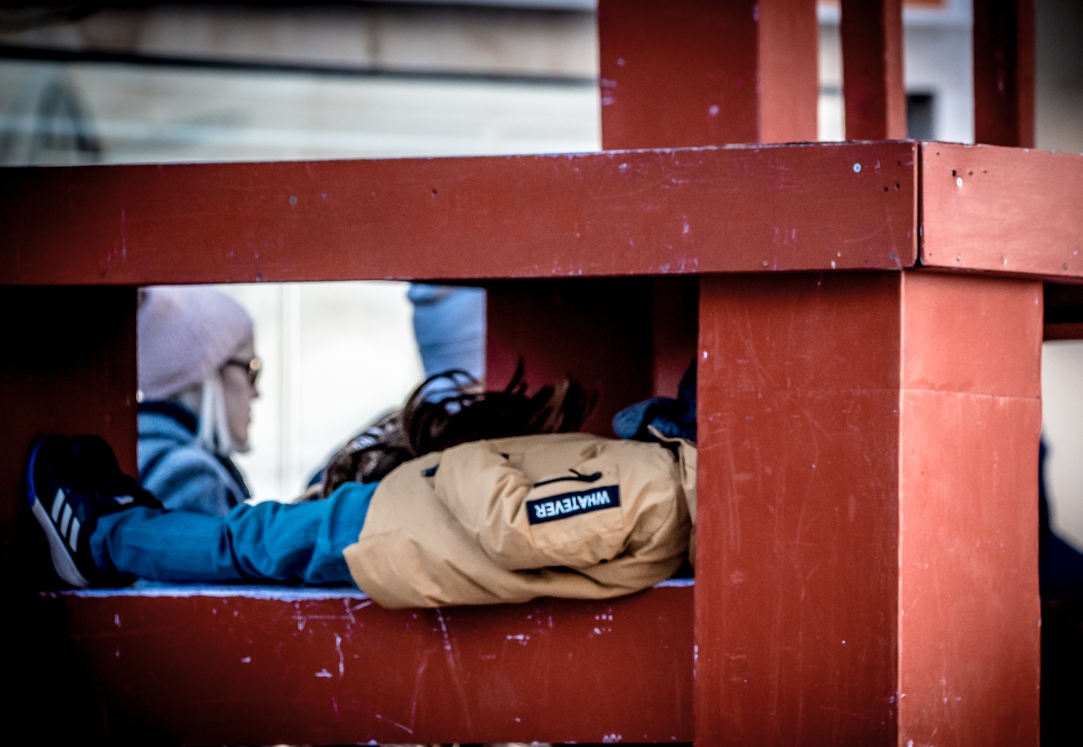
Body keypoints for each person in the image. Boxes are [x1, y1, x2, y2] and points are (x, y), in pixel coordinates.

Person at [24, 369, 694, 607]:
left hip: (398, 528)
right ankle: (129, 530)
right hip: (410, 527)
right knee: (251, 537)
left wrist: (467, 457)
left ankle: (102, 536)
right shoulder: (666, 482)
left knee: (247, 541)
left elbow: (515, 523)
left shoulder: (655, 488)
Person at [136, 286, 260, 517]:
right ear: (207, 374)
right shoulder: (192, 479)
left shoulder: (142, 449)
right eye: (252, 369)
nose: (256, 392)